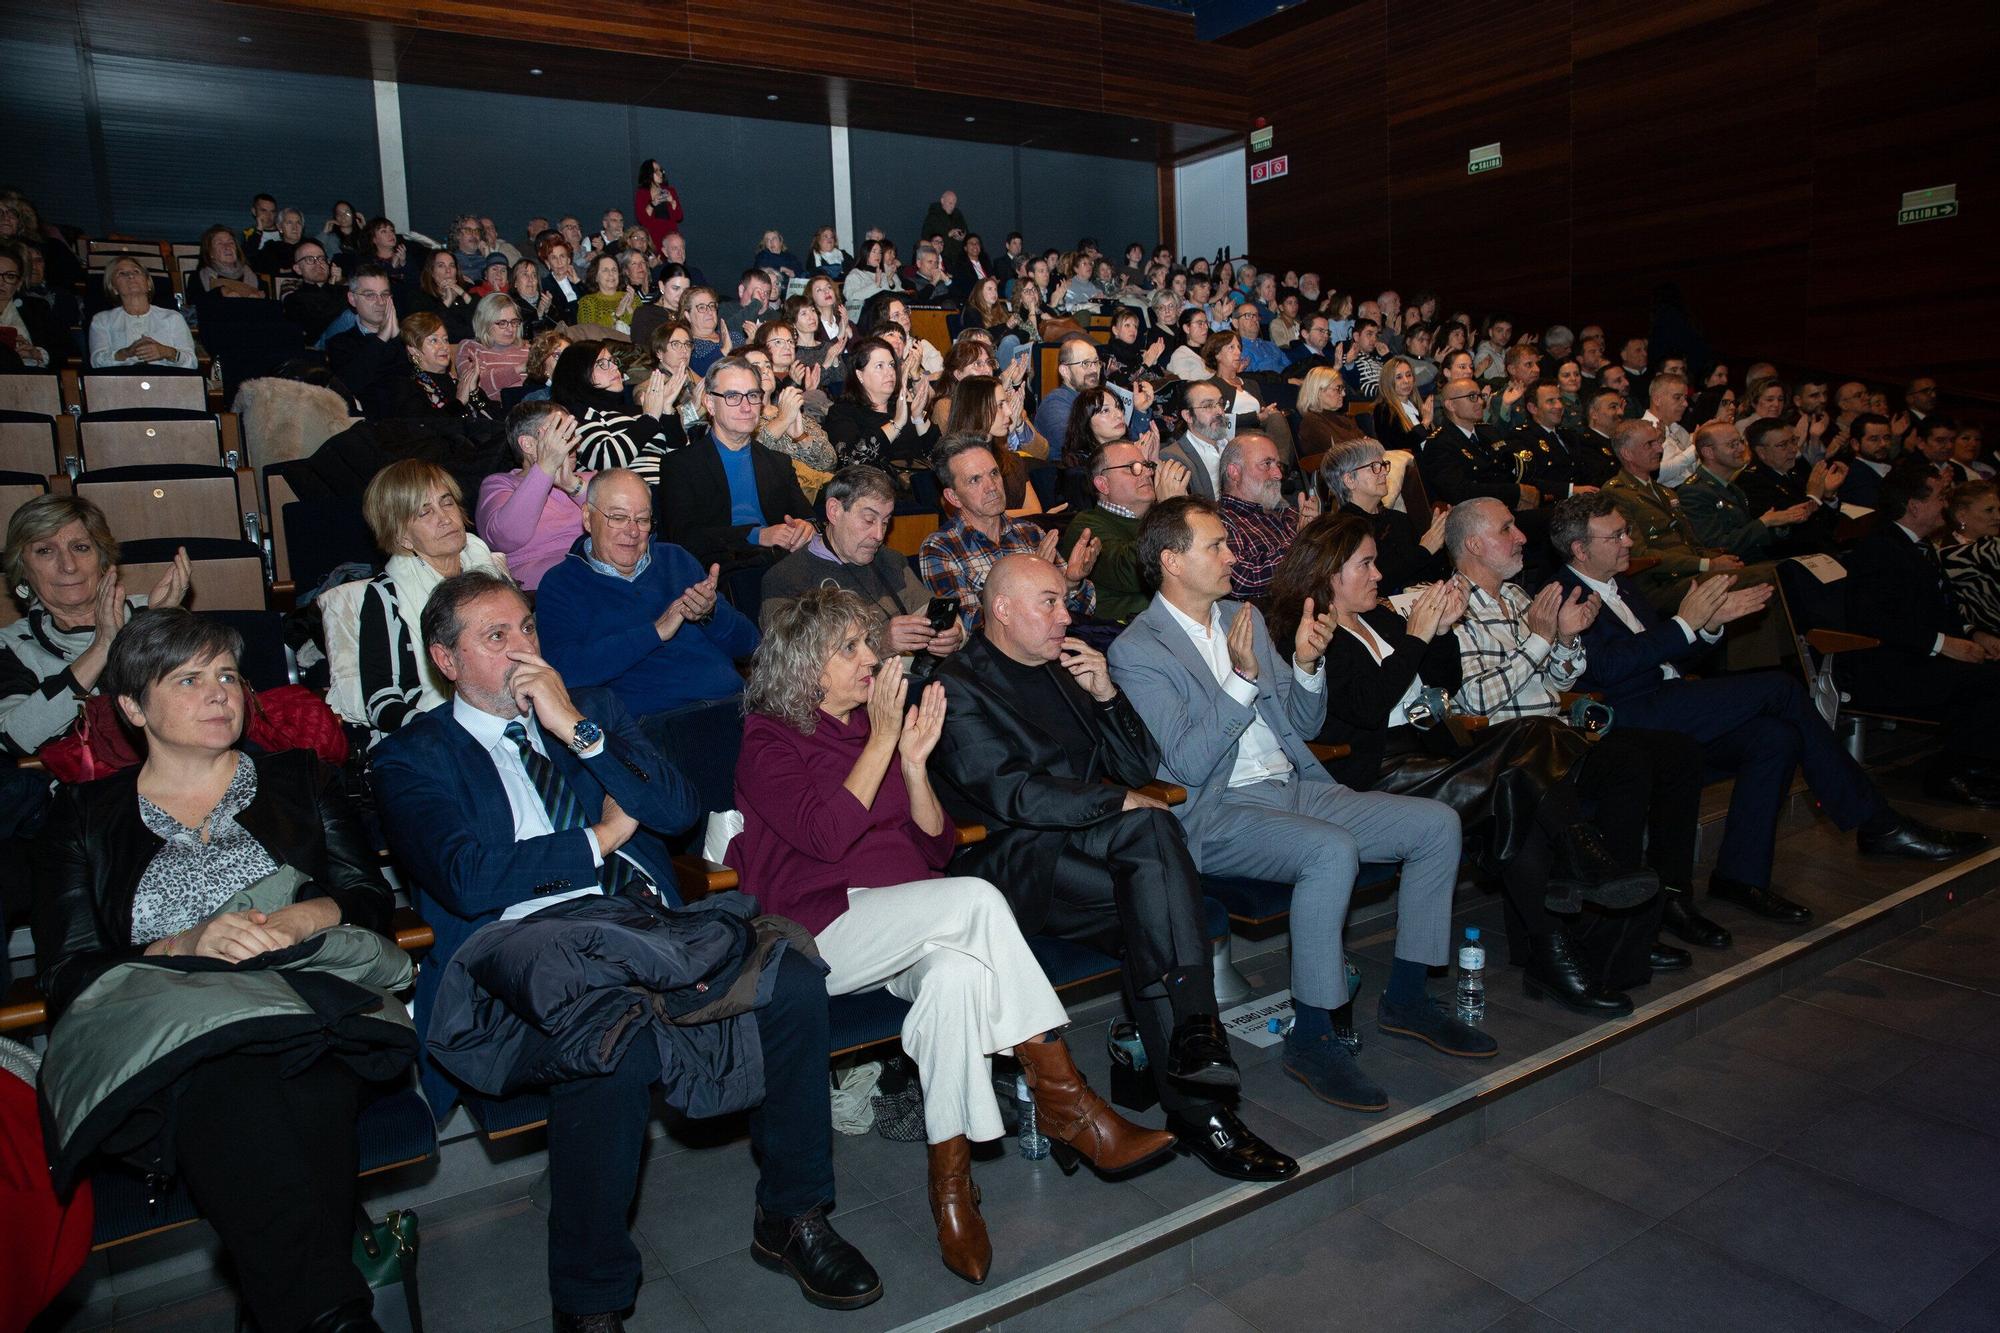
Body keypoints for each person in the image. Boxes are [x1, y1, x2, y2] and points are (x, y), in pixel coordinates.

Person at [370, 571, 879, 1325]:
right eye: (495, 636)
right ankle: (591, 1300)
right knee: (608, 1041)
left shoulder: (592, 710)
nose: (522, 650)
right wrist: (598, 839)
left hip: (645, 930)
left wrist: (575, 726)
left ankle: (793, 1214)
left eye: (528, 630)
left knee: (792, 977)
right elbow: (466, 875)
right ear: (446, 660)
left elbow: (675, 810)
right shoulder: (412, 756)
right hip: (520, 955)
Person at [731, 588, 1172, 1282]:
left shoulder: (873, 730)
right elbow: (823, 837)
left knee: (959, 977)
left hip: (908, 914)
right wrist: (883, 742)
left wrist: (910, 765)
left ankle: (952, 1190)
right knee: (976, 898)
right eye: (850, 647)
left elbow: (934, 848)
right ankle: (1068, 1101)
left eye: (867, 643)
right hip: (821, 928)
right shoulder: (769, 738)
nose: (870, 657)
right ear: (805, 665)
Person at [35, 610, 405, 1333]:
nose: (218, 693)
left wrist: (303, 917)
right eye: (189, 679)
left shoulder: (299, 776)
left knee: (301, 1088)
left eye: (228, 675)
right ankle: (333, 1316)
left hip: (304, 1005)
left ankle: (310, 1314)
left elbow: (370, 901)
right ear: (134, 707)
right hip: (169, 1034)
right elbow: (68, 974)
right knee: (241, 1084)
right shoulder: (81, 816)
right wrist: (185, 944)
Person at [1109, 498, 1495, 1109]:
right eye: (1216, 546)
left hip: (1296, 785)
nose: (1233, 555)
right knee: (1330, 850)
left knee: (1437, 826)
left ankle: (1409, 996)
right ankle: (1314, 1037)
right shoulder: (1138, 650)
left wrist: (1307, 665)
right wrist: (1238, 681)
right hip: (1218, 809)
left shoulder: (1247, 617)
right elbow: (1185, 763)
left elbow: (1302, 722)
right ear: (1172, 562)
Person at [928, 554, 1295, 1181]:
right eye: (1048, 601)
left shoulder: (1066, 668)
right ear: (1002, 610)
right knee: (1152, 858)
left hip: (1091, 847)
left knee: (1148, 909)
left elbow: (1139, 766)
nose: (1064, 615)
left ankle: (1196, 1095)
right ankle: (1198, 1061)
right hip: (1011, 863)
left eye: (1063, 600)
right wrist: (1113, 801)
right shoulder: (955, 685)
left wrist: (1106, 696)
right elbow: (1009, 793)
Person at [1265, 516, 1658, 1016]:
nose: (1379, 575)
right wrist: (1418, 636)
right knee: (1524, 764)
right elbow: (1367, 706)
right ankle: (1577, 875)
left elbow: (1444, 681)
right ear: (1328, 573)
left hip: (1428, 752)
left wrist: (1443, 632)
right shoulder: (1311, 631)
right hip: (1377, 772)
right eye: (1365, 564)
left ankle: (1555, 944)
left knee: (1524, 771)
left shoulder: (1378, 619)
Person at [1550, 492, 1979, 924]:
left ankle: (1742, 876)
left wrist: (1711, 626)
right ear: (1580, 549)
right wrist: (1685, 624)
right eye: (1617, 534)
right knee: (1780, 687)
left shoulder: (1622, 585)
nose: (1629, 541)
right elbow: (1605, 668)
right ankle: (1877, 822)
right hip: (1626, 716)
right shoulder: (1563, 593)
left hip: (1671, 702)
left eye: (1627, 530)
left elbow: (1668, 658)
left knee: (1775, 738)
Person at [1443, 498, 1715, 969]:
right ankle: (1610, 908)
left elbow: (1560, 681)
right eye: (1507, 528)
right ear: (1473, 544)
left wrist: (1567, 639)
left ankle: (1649, 909)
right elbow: (1479, 700)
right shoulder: (1451, 607)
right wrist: (1544, 639)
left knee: (1675, 753)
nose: (1522, 536)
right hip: (1506, 752)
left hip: (1556, 738)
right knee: (1628, 766)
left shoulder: (1519, 597)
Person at [536, 468, 758, 740]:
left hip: (733, 705)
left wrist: (710, 614)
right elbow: (564, 671)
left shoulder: (676, 560)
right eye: (618, 518)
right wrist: (654, 632)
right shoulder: (561, 584)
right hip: (659, 726)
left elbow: (749, 644)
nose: (632, 531)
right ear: (587, 518)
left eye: (642, 520)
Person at [1839, 466, 2000, 807]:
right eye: (1940, 498)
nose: (1945, 505)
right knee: (1988, 680)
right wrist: (1944, 644)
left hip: (1920, 654)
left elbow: (1944, 606)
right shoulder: (1880, 548)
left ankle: (1979, 765)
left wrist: (1975, 632)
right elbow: (1873, 620)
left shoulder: (1917, 545)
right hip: (1892, 665)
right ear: (1914, 505)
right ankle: (1950, 773)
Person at [1, 496, 189, 755]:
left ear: (102, 560)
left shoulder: (153, 612)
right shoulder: (11, 645)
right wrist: (102, 647)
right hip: (84, 790)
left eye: (80, 548)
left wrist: (158, 626)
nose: (68, 566)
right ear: (22, 568)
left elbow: (194, 710)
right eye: (45, 550)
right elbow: (14, 739)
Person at [354, 460, 509, 741]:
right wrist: (443, 726)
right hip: (435, 727)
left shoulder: (484, 561)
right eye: (425, 513)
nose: (445, 518)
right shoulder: (388, 594)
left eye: (446, 503)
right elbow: (381, 701)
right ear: (403, 537)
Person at [759, 464, 964, 659]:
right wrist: (880, 645)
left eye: (885, 522)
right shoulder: (786, 579)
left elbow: (927, 609)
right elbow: (792, 666)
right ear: (834, 511)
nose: (878, 535)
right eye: (868, 520)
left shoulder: (891, 560)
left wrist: (954, 632)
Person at [919, 435, 1098, 633]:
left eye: (994, 473)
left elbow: (1082, 612)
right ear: (953, 497)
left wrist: (1072, 583)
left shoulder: (1030, 533)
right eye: (975, 480)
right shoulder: (941, 548)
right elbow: (972, 628)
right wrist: (1028, 584)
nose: (992, 487)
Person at [657, 357, 817, 572]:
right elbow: (683, 537)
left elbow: (807, 517)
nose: (746, 407)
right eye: (733, 396)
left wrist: (805, 528)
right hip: (721, 571)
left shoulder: (778, 463)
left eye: (752, 396)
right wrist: (757, 535)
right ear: (710, 404)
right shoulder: (681, 464)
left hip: (786, 564)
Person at [1602, 419, 1761, 609]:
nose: (1659, 449)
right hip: (1660, 583)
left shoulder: (1665, 492)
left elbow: (1690, 541)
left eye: (1658, 442)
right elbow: (1638, 554)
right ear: (1627, 453)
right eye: (1649, 444)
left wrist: (1715, 559)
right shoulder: (1616, 493)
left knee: (1763, 573)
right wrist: (1705, 564)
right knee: (1759, 579)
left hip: (1690, 574)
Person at [1060, 440, 1191, 622]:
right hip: (1125, 630)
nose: (1148, 472)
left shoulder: (1154, 516)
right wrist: (1167, 511)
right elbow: (1133, 573)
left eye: (1146, 465)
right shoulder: (1086, 526)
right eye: (1133, 467)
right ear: (1103, 484)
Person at [478, 401, 591, 591]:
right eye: (560, 434)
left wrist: (572, 485)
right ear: (528, 444)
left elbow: (625, 517)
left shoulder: (587, 479)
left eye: (572, 433)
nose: (573, 442)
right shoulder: (500, 485)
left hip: (602, 571)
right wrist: (545, 470)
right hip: (545, 590)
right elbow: (505, 537)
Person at [1319, 437, 1449, 596]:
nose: (1384, 473)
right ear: (1349, 480)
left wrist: (1438, 543)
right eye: (1374, 467)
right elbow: (1376, 585)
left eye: (1383, 465)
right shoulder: (1342, 531)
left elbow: (1434, 574)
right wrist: (1424, 550)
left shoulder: (1398, 519)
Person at [551, 340, 683, 484]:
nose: (614, 367)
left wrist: (667, 410)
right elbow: (606, 460)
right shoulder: (574, 415)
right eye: (602, 363)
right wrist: (650, 418)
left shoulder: (639, 410)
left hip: (669, 489)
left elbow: (680, 457)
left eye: (613, 361)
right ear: (579, 372)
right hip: (623, 496)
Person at [1215, 432, 1320, 601]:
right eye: (1267, 464)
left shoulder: (1289, 513)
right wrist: (1301, 542)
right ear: (1235, 472)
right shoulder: (1220, 521)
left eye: (1278, 465)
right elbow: (1241, 581)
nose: (1278, 474)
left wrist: (1320, 531)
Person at [823, 336, 938, 483]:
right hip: (873, 493)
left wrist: (918, 418)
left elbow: (939, 457)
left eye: (891, 365)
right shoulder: (843, 412)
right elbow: (851, 460)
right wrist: (896, 424)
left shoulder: (906, 407)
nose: (889, 372)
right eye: (879, 366)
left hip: (921, 490)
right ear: (860, 375)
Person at [1731, 416, 1845, 556]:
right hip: (1787, 558)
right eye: (1783, 445)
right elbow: (1784, 534)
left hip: (1821, 551)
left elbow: (1827, 525)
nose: (1793, 449)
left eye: (1793, 441)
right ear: (1761, 452)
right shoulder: (1751, 481)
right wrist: (1813, 497)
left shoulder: (1795, 470)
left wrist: (1827, 496)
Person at [87, 257, 197, 369]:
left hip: (167, 381)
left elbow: (192, 363)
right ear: (114, 288)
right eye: (122, 273)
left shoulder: (172, 317)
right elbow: (96, 362)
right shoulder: (102, 320)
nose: (130, 276)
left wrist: (167, 352)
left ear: (148, 283)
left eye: (136, 271)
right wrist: (126, 353)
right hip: (121, 382)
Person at [383, 311, 495, 421]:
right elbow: (428, 429)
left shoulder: (458, 382)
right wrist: (459, 402)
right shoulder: (408, 387)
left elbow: (495, 420)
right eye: (434, 340)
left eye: (445, 339)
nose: (444, 346)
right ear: (413, 349)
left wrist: (474, 391)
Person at [1941, 479, 2000, 635]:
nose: (1998, 517)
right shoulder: (1947, 556)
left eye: (1999, 510)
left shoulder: (1995, 546)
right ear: (1962, 516)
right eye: (1989, 510)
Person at [1158, 380, 1232, 501]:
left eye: (1221, 404)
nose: (1219, 411)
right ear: (1188, 416)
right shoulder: (1173, 457)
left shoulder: (1232, 445)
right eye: (1208, 406)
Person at [453, 292, 530, 400]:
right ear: (485, 323)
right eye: (502, 323)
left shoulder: (528, 349)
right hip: (496, 413)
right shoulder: (471, 348)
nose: (510, 329)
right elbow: (474, 386)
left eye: (514, 322)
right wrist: (518, 369)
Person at [1294, 365, 1367, 455]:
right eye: (1338, 389)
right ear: (1318, 392)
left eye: (1343, 388)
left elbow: (1366, 443)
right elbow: (1341, 454)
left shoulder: (1343, 418)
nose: (1343, 394)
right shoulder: (1312, 421)